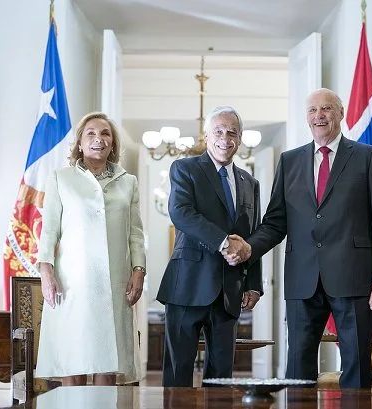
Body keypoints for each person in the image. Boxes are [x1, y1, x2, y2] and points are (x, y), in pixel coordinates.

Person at [223, 88, 372, 388]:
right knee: (298, 367)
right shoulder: (289, 161)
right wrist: (250, 246)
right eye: (313, 110)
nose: (319, 115)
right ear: (306, 118)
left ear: (340, 114)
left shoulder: (368, 157)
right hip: (303, 280)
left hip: (354, 278)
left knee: (356, 364)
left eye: (327, 109)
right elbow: (276, 222)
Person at [35, 112, 146, 386]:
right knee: (74, 354)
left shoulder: (128, 181)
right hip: (74, 281)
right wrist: (46, 272)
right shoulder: (61, 178)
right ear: (80, 143)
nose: (99, 139)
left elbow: (135, 232)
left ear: (113, 144)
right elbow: (49, 230)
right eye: (91, 133)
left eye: (105, 133)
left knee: (109, 356)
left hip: (115, 280)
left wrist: (139, 270)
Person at [156, 105, 263, 387]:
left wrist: (253, 283)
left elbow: (252, 235)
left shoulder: (250, 182)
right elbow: (181, 213)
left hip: (229, 291)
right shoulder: (185, 168)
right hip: (187, 286)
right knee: (178, 371)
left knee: (221, 377)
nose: (225, 138)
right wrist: (224, 242)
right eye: (218, 131)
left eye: (232, 132)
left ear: (239, 139)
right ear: (206, 135)